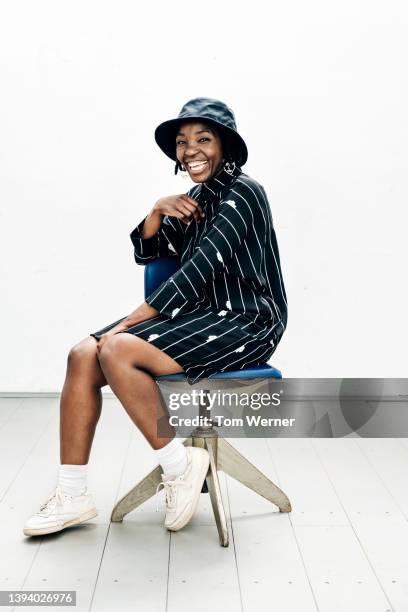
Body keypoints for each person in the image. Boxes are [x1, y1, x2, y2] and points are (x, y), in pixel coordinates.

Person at [23, 97, 288, 537]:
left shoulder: (246, 193)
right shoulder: (192, 200)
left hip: (247, 321)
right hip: (197, 316)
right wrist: (156, 211)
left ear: (225, 146)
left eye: (203, 139)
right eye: (183, 143)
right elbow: (149, 254)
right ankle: (72, 494)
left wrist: (128, 324)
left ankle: (179, 467)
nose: (191, 150)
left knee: (117, 348)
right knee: (81, 354)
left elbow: (199, 268)